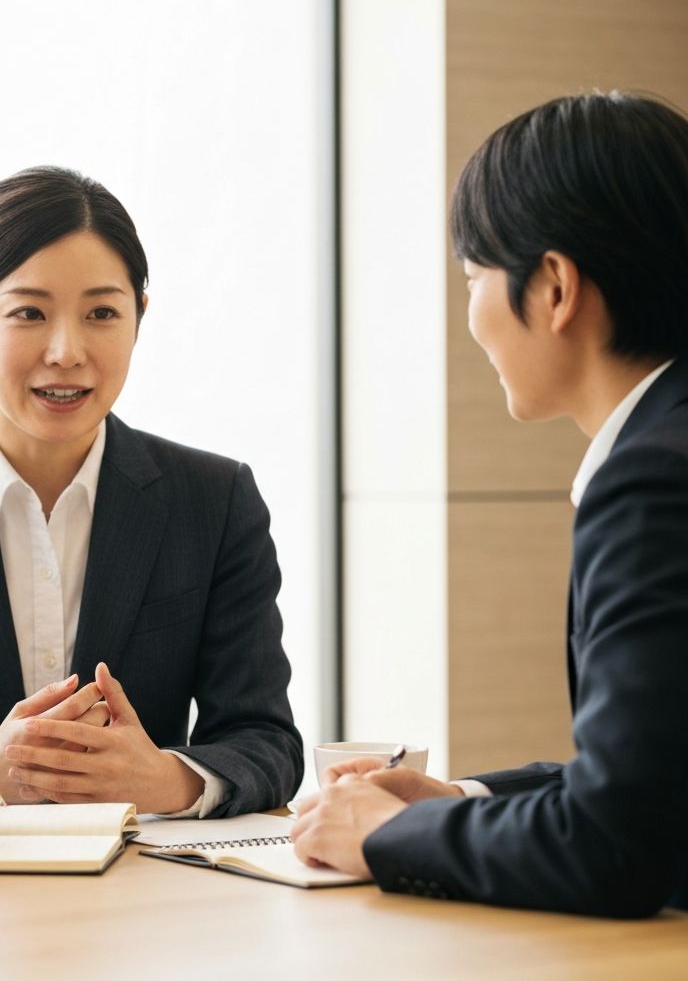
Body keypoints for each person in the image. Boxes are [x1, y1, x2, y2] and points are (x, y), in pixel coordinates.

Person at [292, 91, 688, 918]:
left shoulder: (652, 480)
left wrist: (383, 836)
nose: (470, 315)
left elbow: (616, 844)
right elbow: (654, 781)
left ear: (553, 288)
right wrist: (456, 799)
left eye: (475, 277)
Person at [0, 166, 303, 816]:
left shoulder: (214, 499)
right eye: (29, 313)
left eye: (101, 313)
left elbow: (266, 739)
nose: (67, 351)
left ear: (138, 319)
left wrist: (166, 779)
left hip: (149, 896)